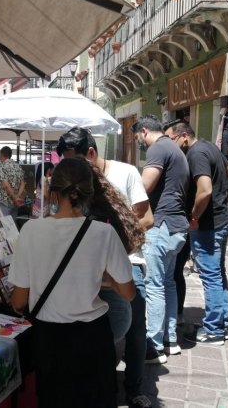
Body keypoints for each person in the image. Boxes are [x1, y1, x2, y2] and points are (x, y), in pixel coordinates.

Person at [9, 158, 135, 408]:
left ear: (52, 191)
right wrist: (101, 275)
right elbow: (129, 293)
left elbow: (19, 300)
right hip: (92, 337)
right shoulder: (103, 232)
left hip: (49, 339)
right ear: (90, 192)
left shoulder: (31, 230)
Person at [56, 126, 153, 407]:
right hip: (85, 267)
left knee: (134, 327)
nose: (70, 168)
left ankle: (134, 389)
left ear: (91, 152)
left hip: (126, 261)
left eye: (75, 160)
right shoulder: (74, 181)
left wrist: (115, 241)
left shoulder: (126, 172)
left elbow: (147, 218)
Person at [165, 121, 228, 346]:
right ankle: (221, 322)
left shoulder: (196, 154)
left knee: (210, 275)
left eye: (171, 139)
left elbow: (204, 189)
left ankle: (213, 330)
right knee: (218, 272)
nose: (170, 145)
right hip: (223, 218)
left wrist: (194, 217)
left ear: (183, 136)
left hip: (208, 224)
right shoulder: (209, 147)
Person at [132, 114, 190, 363]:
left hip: (162, 226)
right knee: (168, 283)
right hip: (177, 227)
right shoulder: (175, 149)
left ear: (145, 131)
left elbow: (144, 187)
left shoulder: (158, 149)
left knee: (155, 286)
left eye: (138, 138)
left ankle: (154, 346)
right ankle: (171, 340)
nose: (140, 143)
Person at [0, 146, 25, 219]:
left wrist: (14, 197)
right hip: (15, 203)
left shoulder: (2, 167)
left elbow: (5, 185)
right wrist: (17, 196)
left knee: (4, 225)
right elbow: (22, 183)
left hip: (5, 202)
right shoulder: (18, 166)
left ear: (1, 155)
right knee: (12, 225)